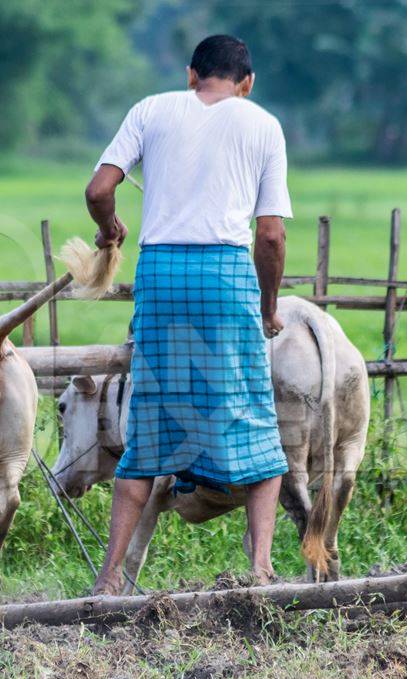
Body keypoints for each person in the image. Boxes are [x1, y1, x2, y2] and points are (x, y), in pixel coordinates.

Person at [84, 34, 292, 595]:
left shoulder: (151, 110)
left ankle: (109, 581)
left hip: (161, 276)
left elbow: (99, 188)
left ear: (190, 75)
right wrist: (267, 309)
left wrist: (109, 231)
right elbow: (269, 235)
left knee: (149, 423)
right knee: (254, 420)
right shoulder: (262, 125)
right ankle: (260, 570)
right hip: (225, 278)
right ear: (246, 84)